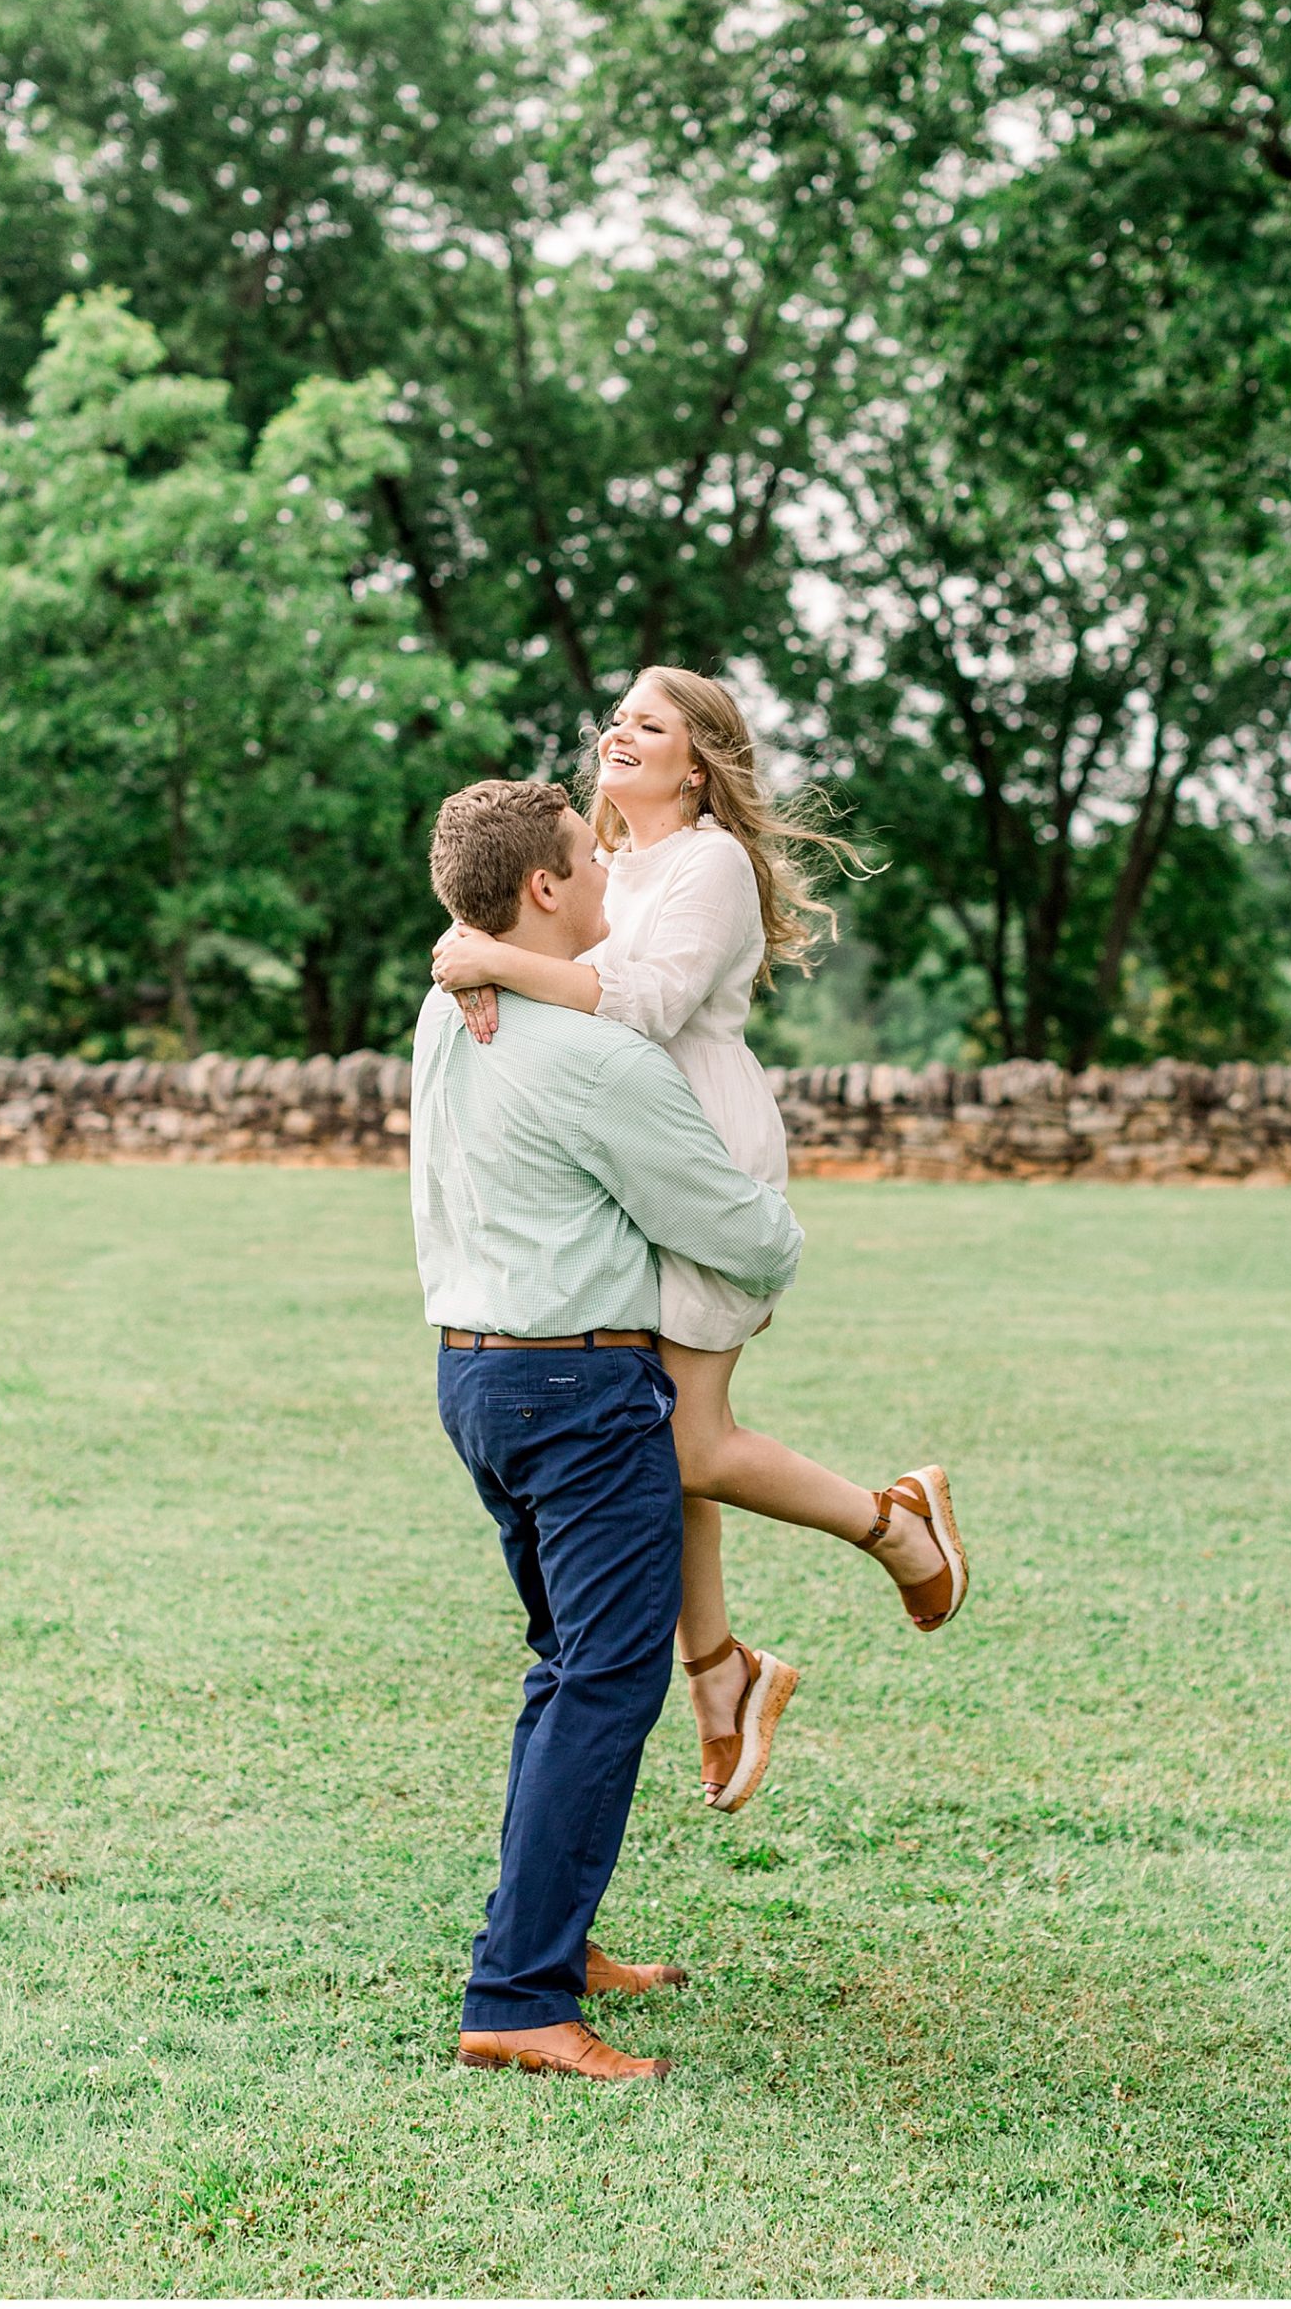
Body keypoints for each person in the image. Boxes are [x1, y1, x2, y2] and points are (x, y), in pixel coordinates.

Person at [430, 666, 968, 1814]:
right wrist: (463, 947)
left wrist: (495, 961)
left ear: (699, 760)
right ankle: (719, 1671)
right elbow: (525, 916)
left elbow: (645, 1001)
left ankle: (894, 1527)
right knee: (660, 1425)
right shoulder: (606, 863)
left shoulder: (710, 863)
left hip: (701, 1147)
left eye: (651, 725)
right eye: (617, 718)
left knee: (681, 1444)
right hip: (619, 1148)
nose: (621, 735)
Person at [412, 776, 805, 2082]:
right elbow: (742, 1230)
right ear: (541, 889)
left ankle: (549, 1944)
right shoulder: (596, 1056)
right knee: (609, 1681)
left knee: (565, 1668)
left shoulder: (448, 1015)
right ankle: (518, 1994)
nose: (608, 878)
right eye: (588, 859)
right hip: (577, 1396)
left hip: (475, 1379)